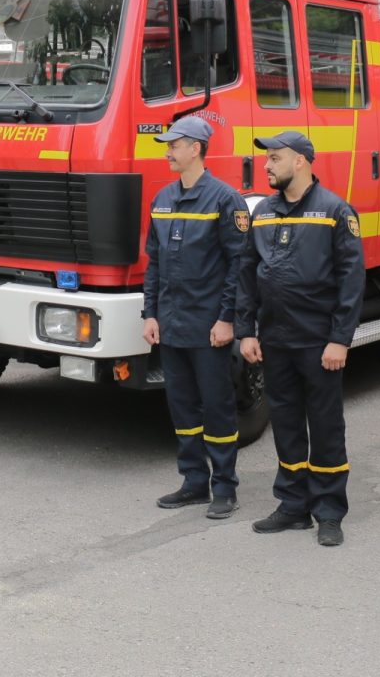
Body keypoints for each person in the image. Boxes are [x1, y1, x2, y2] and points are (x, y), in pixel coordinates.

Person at [236, 130, 365, 548]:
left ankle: (328, 511)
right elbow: (247, 275)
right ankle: (293, 506)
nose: (267, 165)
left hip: (318, 342)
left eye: (275, 157)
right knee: (287, 424)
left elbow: (351, 282)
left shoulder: (334, 212)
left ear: (301, 161)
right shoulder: (264, 212)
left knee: (326, 426)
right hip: (275, 339)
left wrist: (339, 339)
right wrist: (246, 331)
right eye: (267, 158)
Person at [141, 115, 248, 520]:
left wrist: (227, 320)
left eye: (174, 145)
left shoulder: (225, 199)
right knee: (182, 407)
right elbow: (154, 264)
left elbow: (239, 266)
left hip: (208, 327)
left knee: (217, 406)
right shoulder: (163, 198)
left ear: (196, 149)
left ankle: (224, 487)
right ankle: (193, 482)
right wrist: (150, 313)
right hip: (171, 325)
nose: (168, 151)